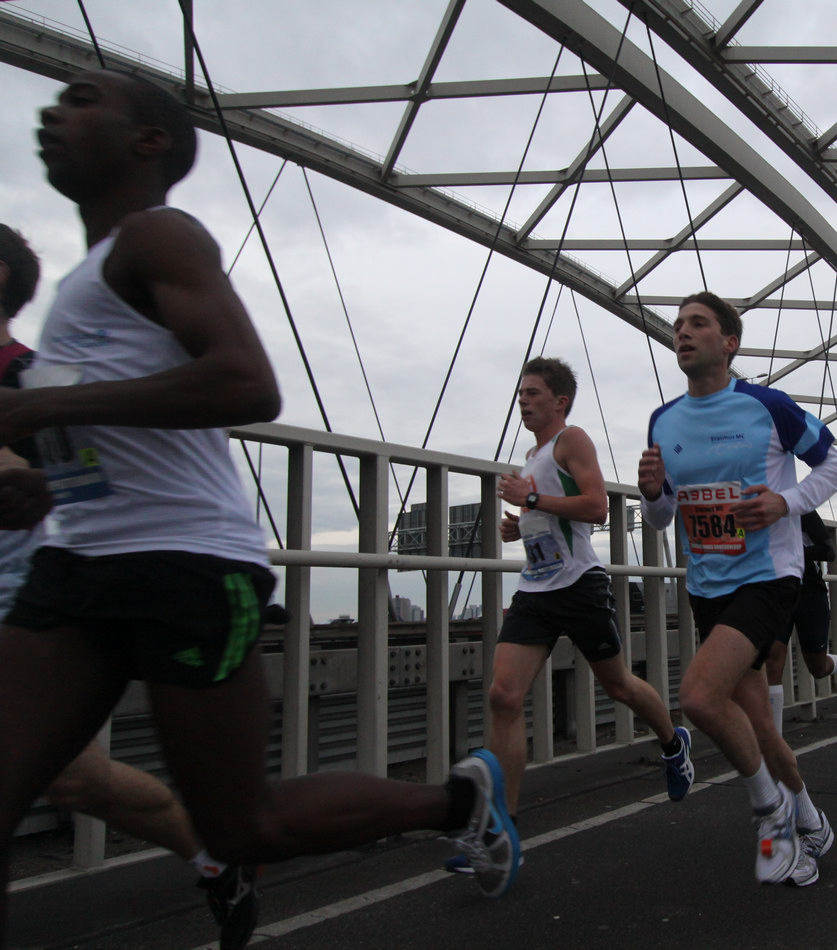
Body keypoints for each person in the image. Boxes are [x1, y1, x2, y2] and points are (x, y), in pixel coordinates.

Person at [0, 70, 517, 945]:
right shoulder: (79, 283)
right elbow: (119, 430)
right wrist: (44, 482)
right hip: (78, 562)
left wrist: (38, 409)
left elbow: (247, 382)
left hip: (186, 566)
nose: (54, 109)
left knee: (244, 828)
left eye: (83, 100)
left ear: (148, 141)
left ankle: (456, 801)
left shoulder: (158, 236)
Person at [1, 221, 262, 948]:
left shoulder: (30, 374)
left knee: (75, 781)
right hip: (60, 590)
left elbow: (83, 481)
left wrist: (25, 472)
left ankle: (214, 855)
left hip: (22, 592)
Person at [447, 357, 693, 873]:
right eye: (521, 393)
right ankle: (501, 830)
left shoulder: (571, 440)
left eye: (533, 393)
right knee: (502, 695)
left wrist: (533, 498)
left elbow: (596, 507)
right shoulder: (532, 455)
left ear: (560, 402)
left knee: (619, 685)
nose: (523, 400)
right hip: (536, 588)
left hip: (580, 585)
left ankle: (673, 743)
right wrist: (521, 523)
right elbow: (547, 512)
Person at [638, 292, 837, 887]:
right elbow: (662, 518)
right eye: (678, 325)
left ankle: (772, 816)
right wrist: (652, 494)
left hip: (768, 577)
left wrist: (786, 501)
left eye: (697, 323)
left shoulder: (768, 406)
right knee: (757, 722)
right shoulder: (663, 421)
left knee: (700, 698)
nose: (682, 332)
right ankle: (811, 822)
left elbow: (835, 466)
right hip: (708, 585)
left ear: (729, 343)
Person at [764, 511, 837, 735]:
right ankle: (774, 741)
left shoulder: (801, 510)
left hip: (809, 593)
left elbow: (828, 551)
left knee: (818, 668)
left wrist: (791, 553)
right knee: (772, 662)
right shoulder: (753, 509)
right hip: (775, 593)